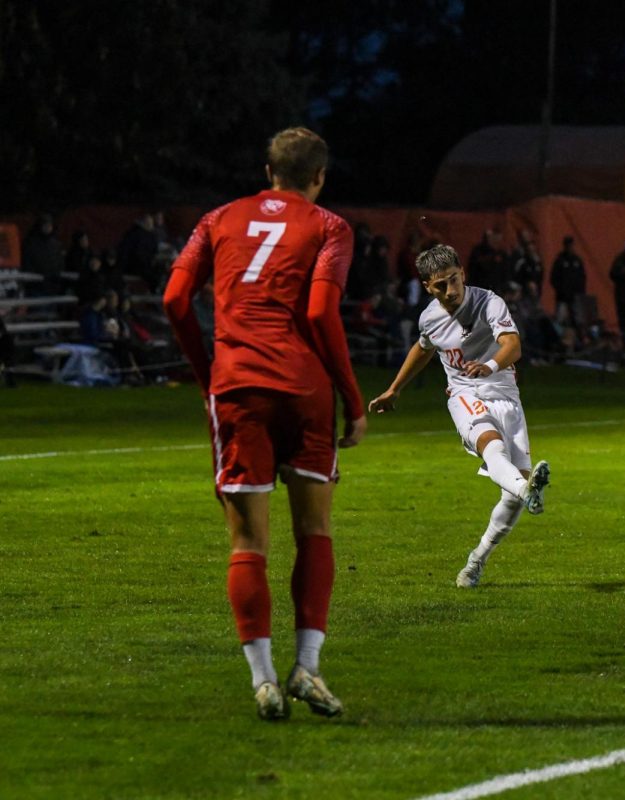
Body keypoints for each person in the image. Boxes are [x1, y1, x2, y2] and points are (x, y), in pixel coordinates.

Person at [162, 126, 367, 721]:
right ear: (319, 177)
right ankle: (308, 666)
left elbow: (175, 301)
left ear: (268, 170)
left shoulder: (217, 219)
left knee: (248, 541)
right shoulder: (330, 226)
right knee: (316, 531)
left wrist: (207, 370)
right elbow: (322, 309)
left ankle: (264, 681)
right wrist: (351, 399)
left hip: (238, 388)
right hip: (304, 390)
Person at [368, 244, 551, 589]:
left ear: (463, 273)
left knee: (510, 499)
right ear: (427, 286)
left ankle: (476, 561)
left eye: (453, 280)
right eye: (440, 285)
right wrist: (395, 389)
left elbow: (513, 345)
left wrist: (490, 365)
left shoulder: (488, 302)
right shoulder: (429, 318)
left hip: (505, 394)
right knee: (491, 446)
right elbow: (422, 349)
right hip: (464, 394)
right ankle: (528, 490)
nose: (450, 290)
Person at [550, 236, 587, 345]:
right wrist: (561, 290)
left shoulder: (577, 261)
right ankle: (559, 343)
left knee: (577, 320)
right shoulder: (560, 261)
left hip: (575, 298)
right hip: (562, 298)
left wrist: (580, 293)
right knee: (560, 321)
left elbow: (582, 278)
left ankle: (579, 343)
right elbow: (554, 278)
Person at [22, 214, 65, 296]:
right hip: (36, 285)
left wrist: (57, 275)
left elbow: (60, 261)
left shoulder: (56, 243)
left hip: (52, 285)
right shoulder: (31, 243)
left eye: (50, 225)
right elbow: (27, 263)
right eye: (45, 225)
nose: (48, 227)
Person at [467, 228, 510, 293]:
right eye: (488, 237)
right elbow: (472, 268)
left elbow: (505, 271)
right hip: (480, 286)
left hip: (496, 287)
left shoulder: (501, 253)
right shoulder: (478, 251)